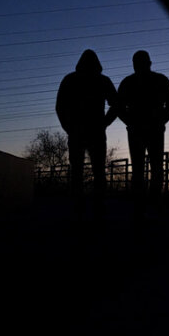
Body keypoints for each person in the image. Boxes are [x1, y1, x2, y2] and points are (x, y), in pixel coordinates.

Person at [55, 49, 118, 215]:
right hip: (94, 132)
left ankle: (79, 206)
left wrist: (69, 127)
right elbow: (116, 105)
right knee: (97, 170)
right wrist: (104, 123)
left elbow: (60, 107)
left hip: (79, 131)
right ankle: (97, 205)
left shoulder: (70, 80)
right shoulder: (102, 80)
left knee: (78, 170)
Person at [118, 50, 169, 202]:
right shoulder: (160, 80)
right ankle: (152, 202)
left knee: (141, 168)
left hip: (141, 130)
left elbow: (118, 107)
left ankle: (142, 204)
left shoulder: (128, 82)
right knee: (154, 167)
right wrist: (161, 120)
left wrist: (130, 122)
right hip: (152, 130)